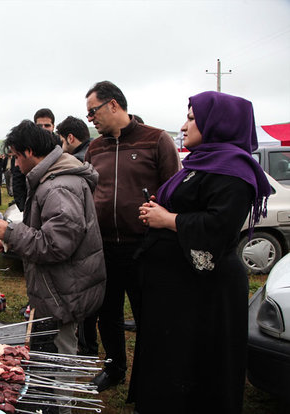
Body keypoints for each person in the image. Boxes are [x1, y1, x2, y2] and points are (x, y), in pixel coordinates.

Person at [129, 91, 270, 413]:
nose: (184, 125)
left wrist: (168, 219)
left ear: (217, 123)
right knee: (171, 354)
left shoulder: (234, 169)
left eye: (192, 118)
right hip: (178, 286)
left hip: (203, 289)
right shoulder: (201, 162)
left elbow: (221, 225)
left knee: (195, 359)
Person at [83, 81, 180, 391]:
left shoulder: (156, 139)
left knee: (147, 316)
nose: (91, 119)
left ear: (113, 105)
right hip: (105, 247)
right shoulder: (95, 147)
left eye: (93, 112)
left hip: (145, 246)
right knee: (106, 313)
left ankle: (148, 380)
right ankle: (114, 368)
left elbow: (175, 192)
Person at [0, 120, 106, 358]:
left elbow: (55, 245)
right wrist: (10, 242)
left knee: (62, 355)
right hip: (60, 286)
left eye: (17, 157)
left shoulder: (58, 186)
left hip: (64, 289)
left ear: (29, 152)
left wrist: (10, 232)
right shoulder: (52, 178)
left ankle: (64, 396)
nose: (16, 164)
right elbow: (47, 230)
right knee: (57, 348)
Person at [56, 116, 97, 355]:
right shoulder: (94, 151)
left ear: (70, 138)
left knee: (83, 303)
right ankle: (88, 346)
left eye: (62, 140)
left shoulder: (75, 162)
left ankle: (86, 348)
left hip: (84, 238)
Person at [12, 108, 58, 212]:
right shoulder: (26, 146)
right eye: (39, 126)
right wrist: (24, 207)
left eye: (47, 125)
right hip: (32, 202)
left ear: (53, 126)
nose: (43, 129)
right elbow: (18, 179)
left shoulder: (60, 146)